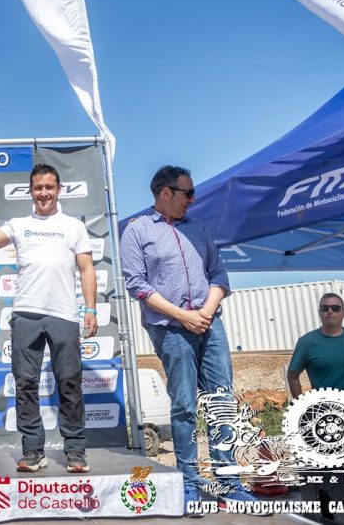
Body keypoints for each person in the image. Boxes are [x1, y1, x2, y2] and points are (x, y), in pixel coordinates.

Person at [120, 165, 260, 515]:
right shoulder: (136, 230)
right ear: (165, 193)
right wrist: (183, 316)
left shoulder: (198, 228)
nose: (193, 200)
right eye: (188, 193)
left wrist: (206, 312)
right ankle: (189, 484)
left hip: (209, 324)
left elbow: (219, 274)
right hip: (169, 328)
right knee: (183, 406)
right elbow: (137, 285)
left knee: (221, 401)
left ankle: (229, 484)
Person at [0, 164, 98, 474]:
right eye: (38, 188)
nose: (44, 193)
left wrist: (91, 309)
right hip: (26, 313)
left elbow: (86, 269)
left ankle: (75, 450)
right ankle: (32, 451)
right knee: (25, 384)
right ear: (31, 191)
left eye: (49, 187)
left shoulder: (73, 227)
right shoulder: (18, 225)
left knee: (69, 382)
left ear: (59, 189)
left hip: (64, 314)